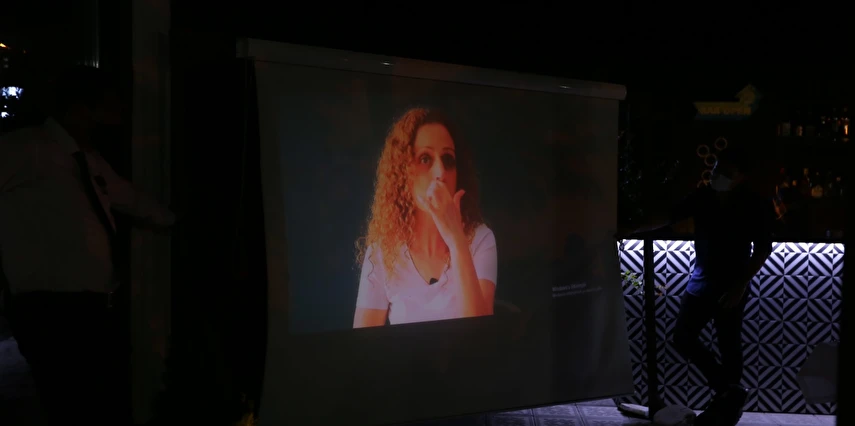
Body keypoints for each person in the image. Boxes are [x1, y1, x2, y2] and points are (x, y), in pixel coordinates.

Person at [0, 65, 175, 425]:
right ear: (81, 108)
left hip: (91, 307)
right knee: (72, 403)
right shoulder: (25, 148)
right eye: (110, 105)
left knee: (92, 402)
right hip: (50, 309)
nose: (117, 116)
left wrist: (175, 221)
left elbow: (129, 198)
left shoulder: (88, 159)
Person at [629, 144, 775, 426]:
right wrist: (633, 228)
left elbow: (763, 249)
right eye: (718, 169)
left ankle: (727, 404)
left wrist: (740, 285)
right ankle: (729, 392)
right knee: (683, 337)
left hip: (732, 282)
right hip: (702, 278)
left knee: (728, 343)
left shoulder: (755, 203)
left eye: (727, 172)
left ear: (741, 176)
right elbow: (670, 215)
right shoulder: (703, 196)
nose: (718, 175)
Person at [352, 108, 497, 328]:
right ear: (403, 172)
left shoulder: (481, 240)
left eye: (448, 159)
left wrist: (456, 240)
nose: (440, 172)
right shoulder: (382, 252)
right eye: (425, 158)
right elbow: (362, 343)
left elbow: (481, 335)